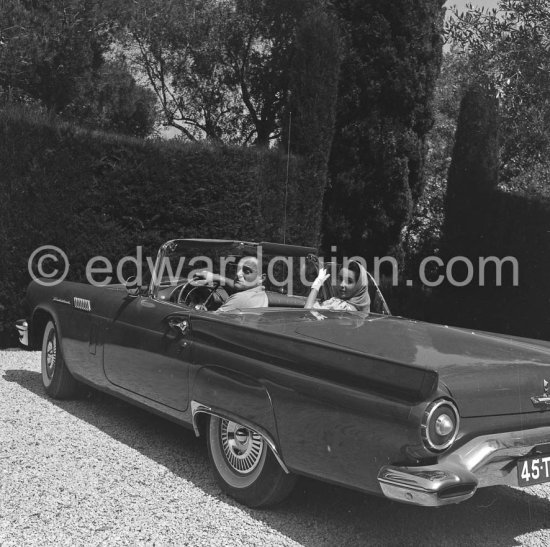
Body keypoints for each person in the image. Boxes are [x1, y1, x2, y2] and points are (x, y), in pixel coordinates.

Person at [194, 256, 268, 312]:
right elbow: (236, 284)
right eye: (238, 269)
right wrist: (217, 277)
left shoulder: (239, 299)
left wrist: (200, 311)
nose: (238, 274)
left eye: (247, 271)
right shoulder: (262, 294)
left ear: (261, 278)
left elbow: (210, 322)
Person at [305, 260, 370, 312]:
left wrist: (316, 285)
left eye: (349, 281)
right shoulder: (362, 310)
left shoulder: (343, 308)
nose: (342, 284)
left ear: (358, 286)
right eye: (340, 279)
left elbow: (307, 312)